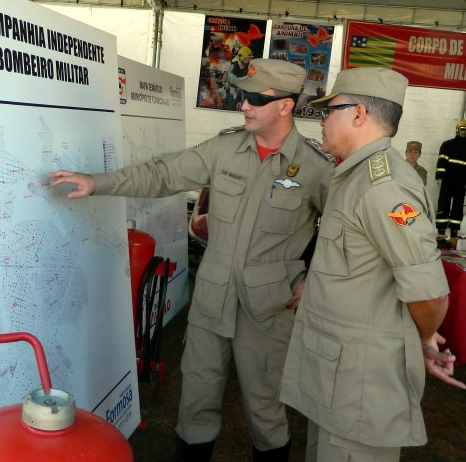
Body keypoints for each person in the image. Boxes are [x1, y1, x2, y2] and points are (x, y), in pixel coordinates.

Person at [50, 58, 335, 462]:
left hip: (269, 309)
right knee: (196, 404)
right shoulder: (224, 148)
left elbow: (344, 231)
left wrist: (315, 278)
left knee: (266, 409)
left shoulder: (316, 168)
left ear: (286, 105)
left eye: (256, 98)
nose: (244, 105)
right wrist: (99, 182)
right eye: (242, 95)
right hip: (212, 301)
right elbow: (162, 174)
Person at [279, 67, 465, 462]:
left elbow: (430, 293)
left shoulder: (384, 186)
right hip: (337, 378)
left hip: (361, 388)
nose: (322, 120)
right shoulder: (354, 175)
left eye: (329, 111)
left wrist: (423, 338)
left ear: (359, 114)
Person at [435, 120, 466, 249]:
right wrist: (440, 176)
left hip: (461, 183)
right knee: (443, 206)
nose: (464, 132)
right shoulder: (447, 145)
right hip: (447, 182)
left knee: (457, 209)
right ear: (457, 130)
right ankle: (440, 236)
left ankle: (454, 238)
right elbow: (441, 162)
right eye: (462, 129)